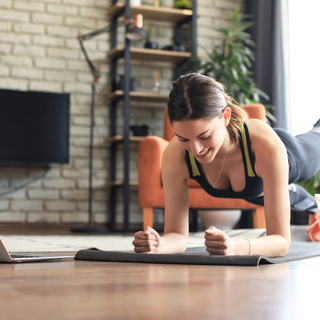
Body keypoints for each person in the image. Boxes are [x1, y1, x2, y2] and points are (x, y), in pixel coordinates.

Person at [132, 73, 320, 257]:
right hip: (255, 188)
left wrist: (235, 247)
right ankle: (314, 205)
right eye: (183, 138)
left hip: (290, 156)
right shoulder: (176, 155)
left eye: (204, 136)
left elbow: (280, 241)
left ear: (225, 116)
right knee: (264, 193)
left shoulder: (265, 145)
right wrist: (159, 245)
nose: (196, 149)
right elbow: (177, 236)